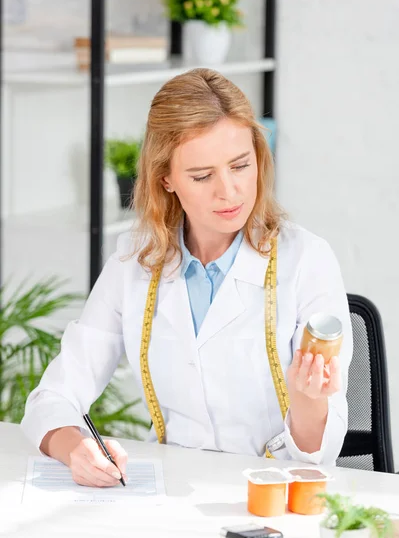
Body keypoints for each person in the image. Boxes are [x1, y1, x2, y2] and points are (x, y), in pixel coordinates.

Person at [21, 68, 352, 488]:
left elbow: (320, 455)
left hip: (275, 496)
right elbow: (51, 398)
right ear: (166, 179)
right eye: (202, 176)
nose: (229, 191)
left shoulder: (306, 260)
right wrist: (74, 448)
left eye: (240, 165)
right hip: (170, 493)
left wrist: (308, 402)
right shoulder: (133, 261)